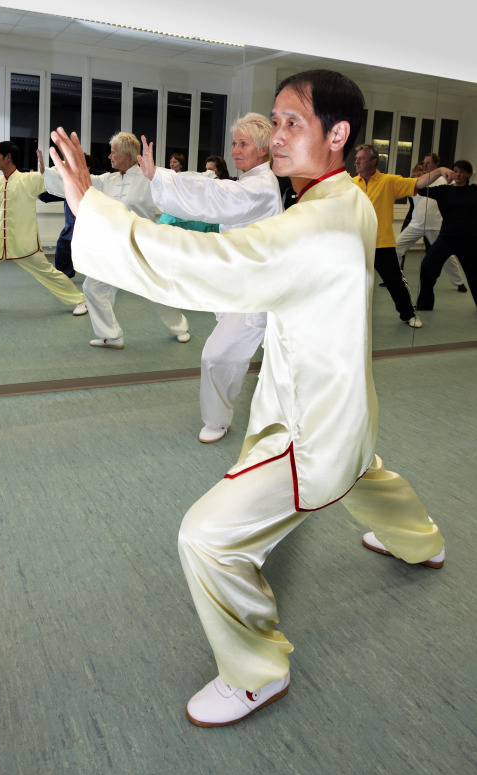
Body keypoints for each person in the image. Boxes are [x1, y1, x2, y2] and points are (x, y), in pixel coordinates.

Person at [50, 68, 445, 729]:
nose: (274, 137)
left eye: (292, 123)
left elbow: (214, 265)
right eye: (274, 121)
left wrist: (95, 210)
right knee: (363, 468)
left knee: (206, 538)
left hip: (308, 427)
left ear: (336, 133)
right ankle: (421, 541)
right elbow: (224, 219)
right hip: (343, 402)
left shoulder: (314, 222)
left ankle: (257, 671)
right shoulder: (342, 197)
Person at [140, 112, 282, 443]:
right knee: (246, 355)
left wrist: (160, 177)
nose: (235, 150)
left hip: (255, 291)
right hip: (241, 284)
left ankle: (218, 420)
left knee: (216, 355)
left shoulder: (260, 187)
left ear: (263, 150)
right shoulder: (251, 182)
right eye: (233, 143)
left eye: (243, 144)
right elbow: (211, 188)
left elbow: (215, 197)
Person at [43, 132, 191, 347]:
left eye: (113, 152)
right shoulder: (107, 180)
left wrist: (210, 178)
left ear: (127, 154)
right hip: (113, 247)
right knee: (92, 288)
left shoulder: (148, 178)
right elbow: (81, 182)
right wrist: (44, 171)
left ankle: (180, 327)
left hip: (142, 245)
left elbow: (179, 183)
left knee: (158, 288)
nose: (109, 156)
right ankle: (111, 335)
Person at [0, 141, 87, 315]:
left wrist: (44, 169)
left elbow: (51, 178)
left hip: (25, 245)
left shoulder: (28, 179)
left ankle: (81, 300)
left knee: (48, 274)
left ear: (8, 157)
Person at [353, 144, 454, 328]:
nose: (356, 162)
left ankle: (408, 314)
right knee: (351, 283)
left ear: (374, 161)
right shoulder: (351, 185)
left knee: (395, 282)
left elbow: (420, 183)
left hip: (382, 243)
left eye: (361, 158)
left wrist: (439, 171)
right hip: (357, 244)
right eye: (356, 158)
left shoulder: (388, 181)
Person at [396, 153, 467, 292]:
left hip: (435, 225)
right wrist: (413, 177)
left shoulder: (443, 179)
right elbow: (408, 193)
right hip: (416, 224)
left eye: (429, 162)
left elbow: (457, 190)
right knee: (396, 248)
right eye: (424, 162)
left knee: (447, 256)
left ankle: (459, 282)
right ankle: (395, 278)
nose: (426, 164)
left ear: (436, 164)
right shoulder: (420, 180)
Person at [416, 159, 477, 310]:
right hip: (446, 238)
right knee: (427, 267)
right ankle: (425, 303)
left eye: (462, 172)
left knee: (475, 276)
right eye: (455, 171)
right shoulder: (444, 190)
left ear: (468, 174)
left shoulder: (474, 191)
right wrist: (434, 173)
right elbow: (421, 189)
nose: (458, 174)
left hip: (469, 240)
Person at [37, 152, 94, 278]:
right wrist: (38, 182)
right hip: (72, 226)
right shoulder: (69, 184)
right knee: (64, 244)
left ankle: (65, 276)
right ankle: (63, 277)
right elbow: (45, 197)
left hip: (88, 225)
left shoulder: (94, 183)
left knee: (68, 244)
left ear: (87, 168)